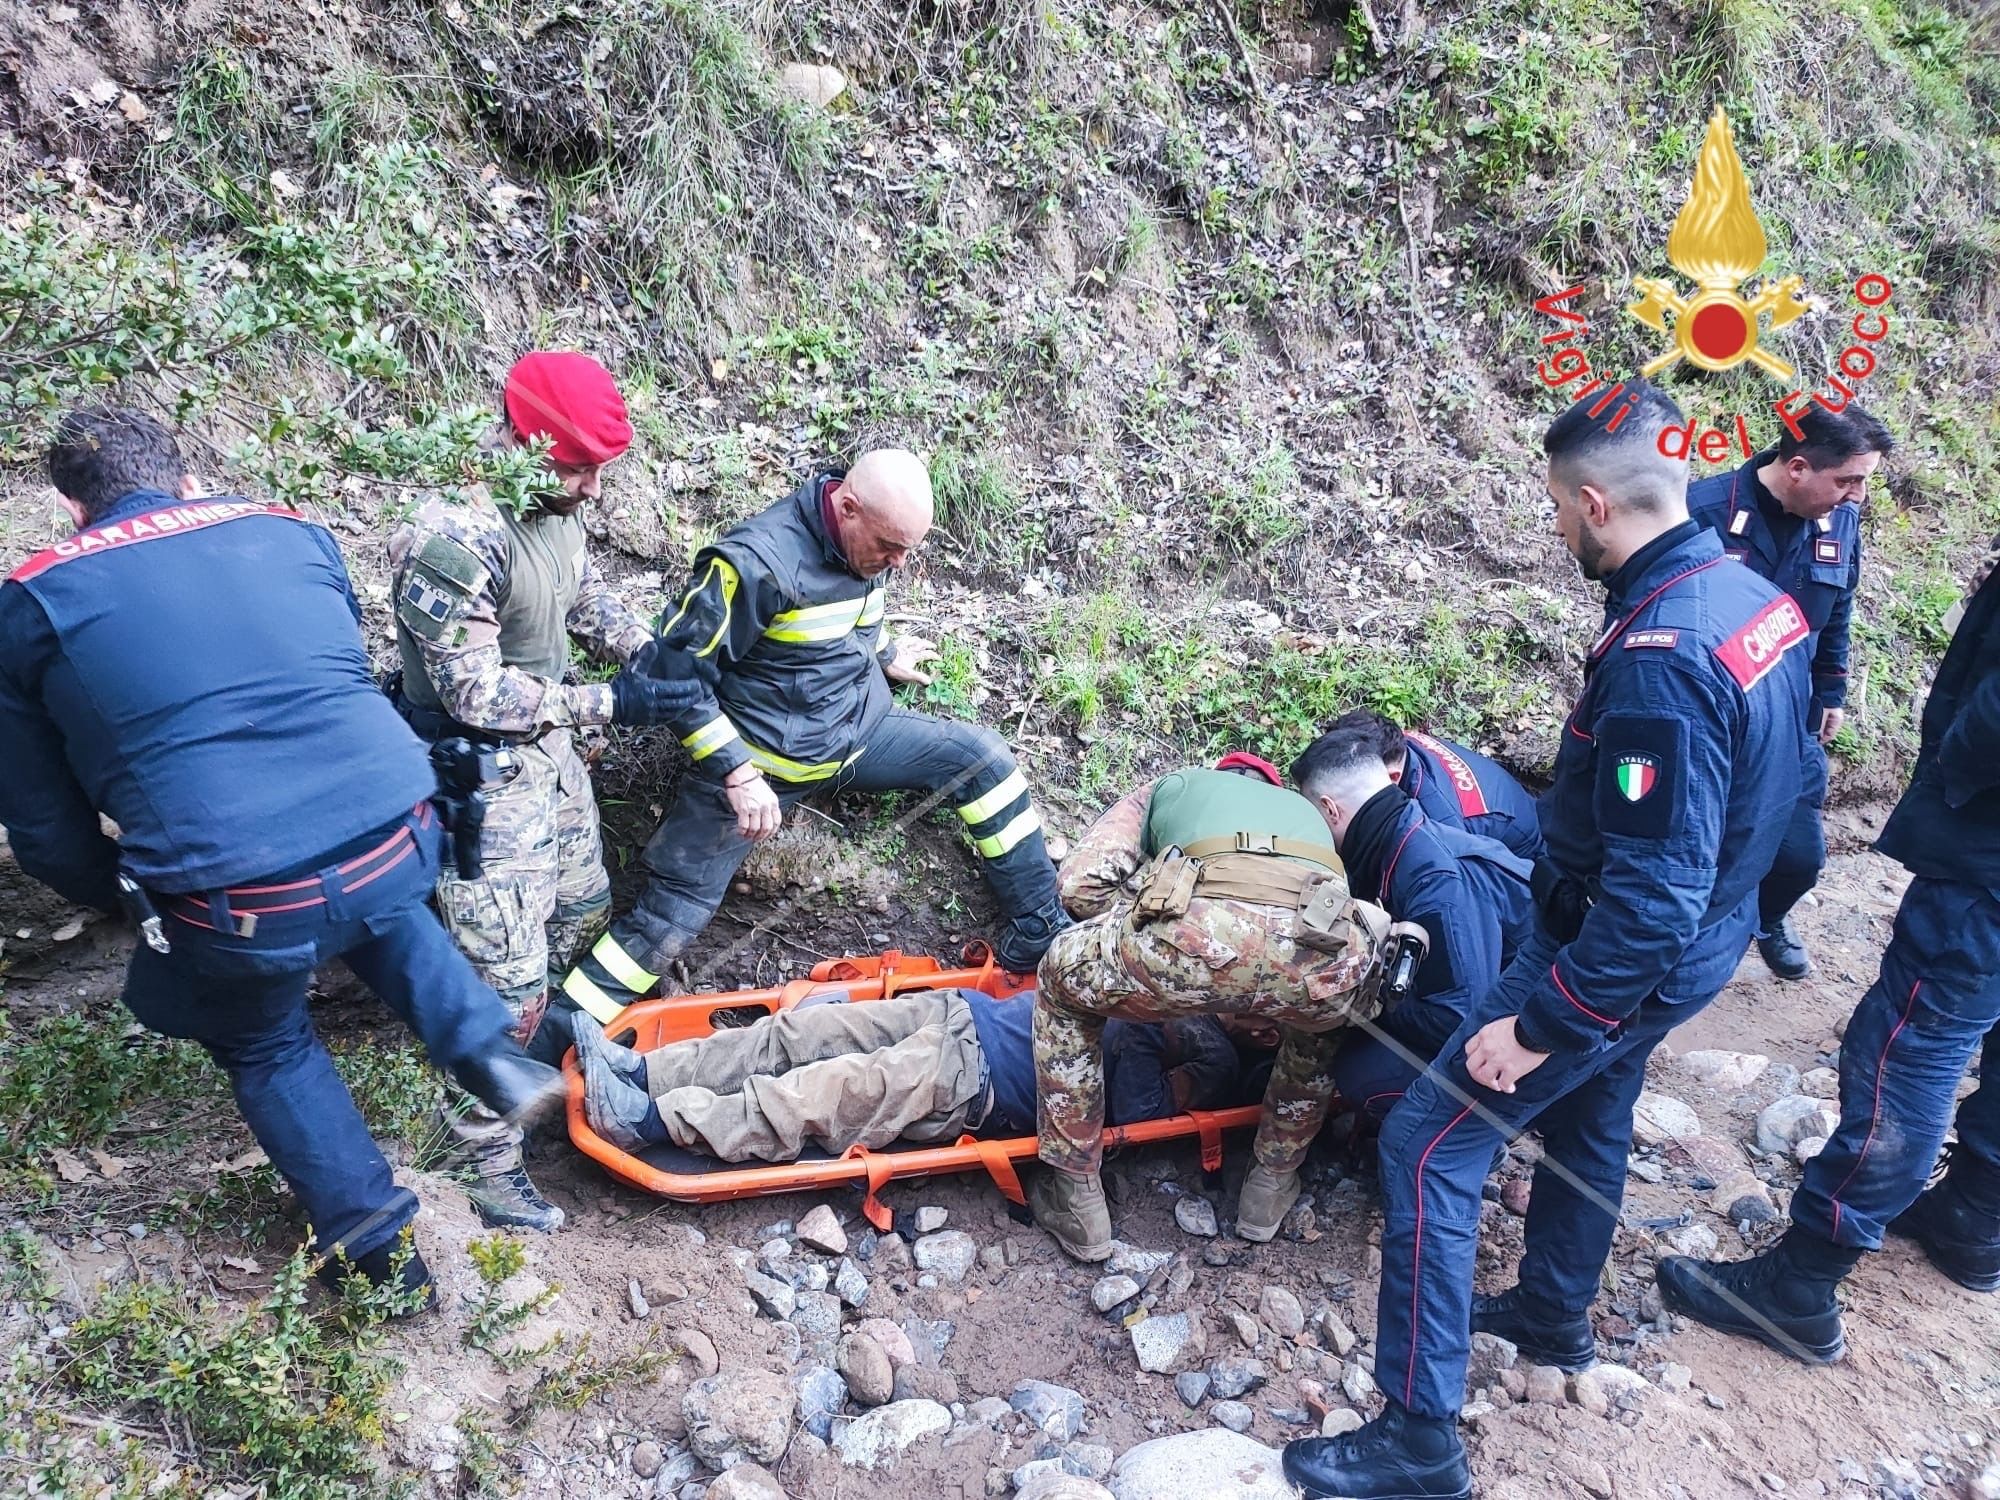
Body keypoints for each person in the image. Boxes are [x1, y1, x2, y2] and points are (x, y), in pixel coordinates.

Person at [1281, 380, 1811, 1500]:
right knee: (1595, 1109)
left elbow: (1650, 896)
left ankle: (1418, 1437)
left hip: (1611, 953)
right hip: (1698, 943)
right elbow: (1791, 788)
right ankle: (1554, 1311)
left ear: (1594, 503)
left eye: (1559, 509)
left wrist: (1541, 1022)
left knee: (1428, 1145)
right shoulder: (1749, 598)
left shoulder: (1661, 658)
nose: (1559, 526)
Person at [0, 408, 567, 1307]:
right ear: (187, 478)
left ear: (71, 508)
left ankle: (381, 1258)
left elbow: (42, 827)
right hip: (400, 820)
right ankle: (485, 1051)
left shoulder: (32, 600)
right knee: (373, 895)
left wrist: (125, 896)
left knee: (265, 1042)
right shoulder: (291, 529)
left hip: (238, 889)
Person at [557, 449, 1068, 1021]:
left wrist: (885, 654)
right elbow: (671, 679)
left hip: (859, 733)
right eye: (890, 547)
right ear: (847, 508)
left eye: (908, 549)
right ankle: (556, 1035)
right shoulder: (755, 565)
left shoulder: (868, 547)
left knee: (983, 760)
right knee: (669, 917)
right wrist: (736, 772)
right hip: (761, 770)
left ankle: (1041, 930)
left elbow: (854, 615)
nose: (899, 563)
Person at [1658, 529, 2000, 1356]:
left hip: (1987, 865)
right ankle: (1975, 1217)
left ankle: (1803, 1282)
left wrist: (1956, 768)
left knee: (1908, 1050)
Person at [388, 351, 706, 1233]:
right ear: (525, 441)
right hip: (482, 785)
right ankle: (477, 1159)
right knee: (506, 982)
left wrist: (646, 651)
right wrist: (615, 702)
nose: (594, 489)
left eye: (601, 469)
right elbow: (472, 693)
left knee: (582, 915)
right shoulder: (454, 537)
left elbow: (577, 591)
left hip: (553, 769)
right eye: (578, 468)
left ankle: (546, 1080)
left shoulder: (553, 504)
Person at [1030, 757, 1400, 1261]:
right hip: (1318, 965)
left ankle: (1076, 1197)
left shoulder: (1173, 786)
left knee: (1059, 979)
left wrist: (1146, 932)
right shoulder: (1311, 815)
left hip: (1192, 943)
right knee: (1324, 1023)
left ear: (1217, 776)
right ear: (1274, 787)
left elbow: (1079, 886)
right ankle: (1269, 1189)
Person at [1687, 404, 1893, 979]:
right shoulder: (1701, 512)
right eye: (1848, 480)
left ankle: (1766, 917)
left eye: (1864, 482)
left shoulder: (1840, 521)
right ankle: (1685, 945)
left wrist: (1832, 688)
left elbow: (1838, 607)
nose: (1857, 496)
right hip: (1713, 724)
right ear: (1798, 468)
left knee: (1800, 858)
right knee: (1702, 848)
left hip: (1791, 722)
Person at [574, 988, 1240, 1161]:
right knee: (801, 1033)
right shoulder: (1190, 975)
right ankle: (646, 1071)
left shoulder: (1217, 1053)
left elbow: (1139, 1116)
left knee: (831, 1089)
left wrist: (1146, 1029)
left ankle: (649, 1121)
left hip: (981, 1077)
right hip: (965, 1013)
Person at [1291, 720, 1535, 1126]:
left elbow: (1456, 1018)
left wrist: (1364, 1001)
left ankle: (1476, 1136)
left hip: (1528, 1031)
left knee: (1361, 1072)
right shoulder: (1396, 837)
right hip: (1496, 991)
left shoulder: (1431, 879)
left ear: (1330, 809)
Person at [1333, 708, 1546, 863]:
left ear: (1392, 777)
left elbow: (1450, 883)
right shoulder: (1391, 743)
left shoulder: (1440, 819)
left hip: (1530, 868)